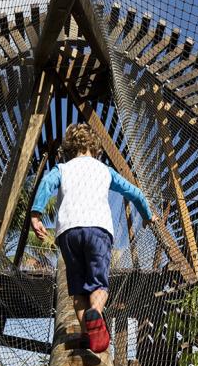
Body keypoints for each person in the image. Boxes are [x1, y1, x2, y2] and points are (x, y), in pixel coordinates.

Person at [30, 123, 157, 353]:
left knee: (78, 291)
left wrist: (36, 214)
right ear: (96, 148)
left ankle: (86, 336)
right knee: (99, 285)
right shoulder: (104, 170)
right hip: (98, 230)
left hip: (68, 232)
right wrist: (148, 216)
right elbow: (135, 193)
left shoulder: (62, 169)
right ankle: (95, 313)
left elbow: (46, 185)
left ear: (68, 149)